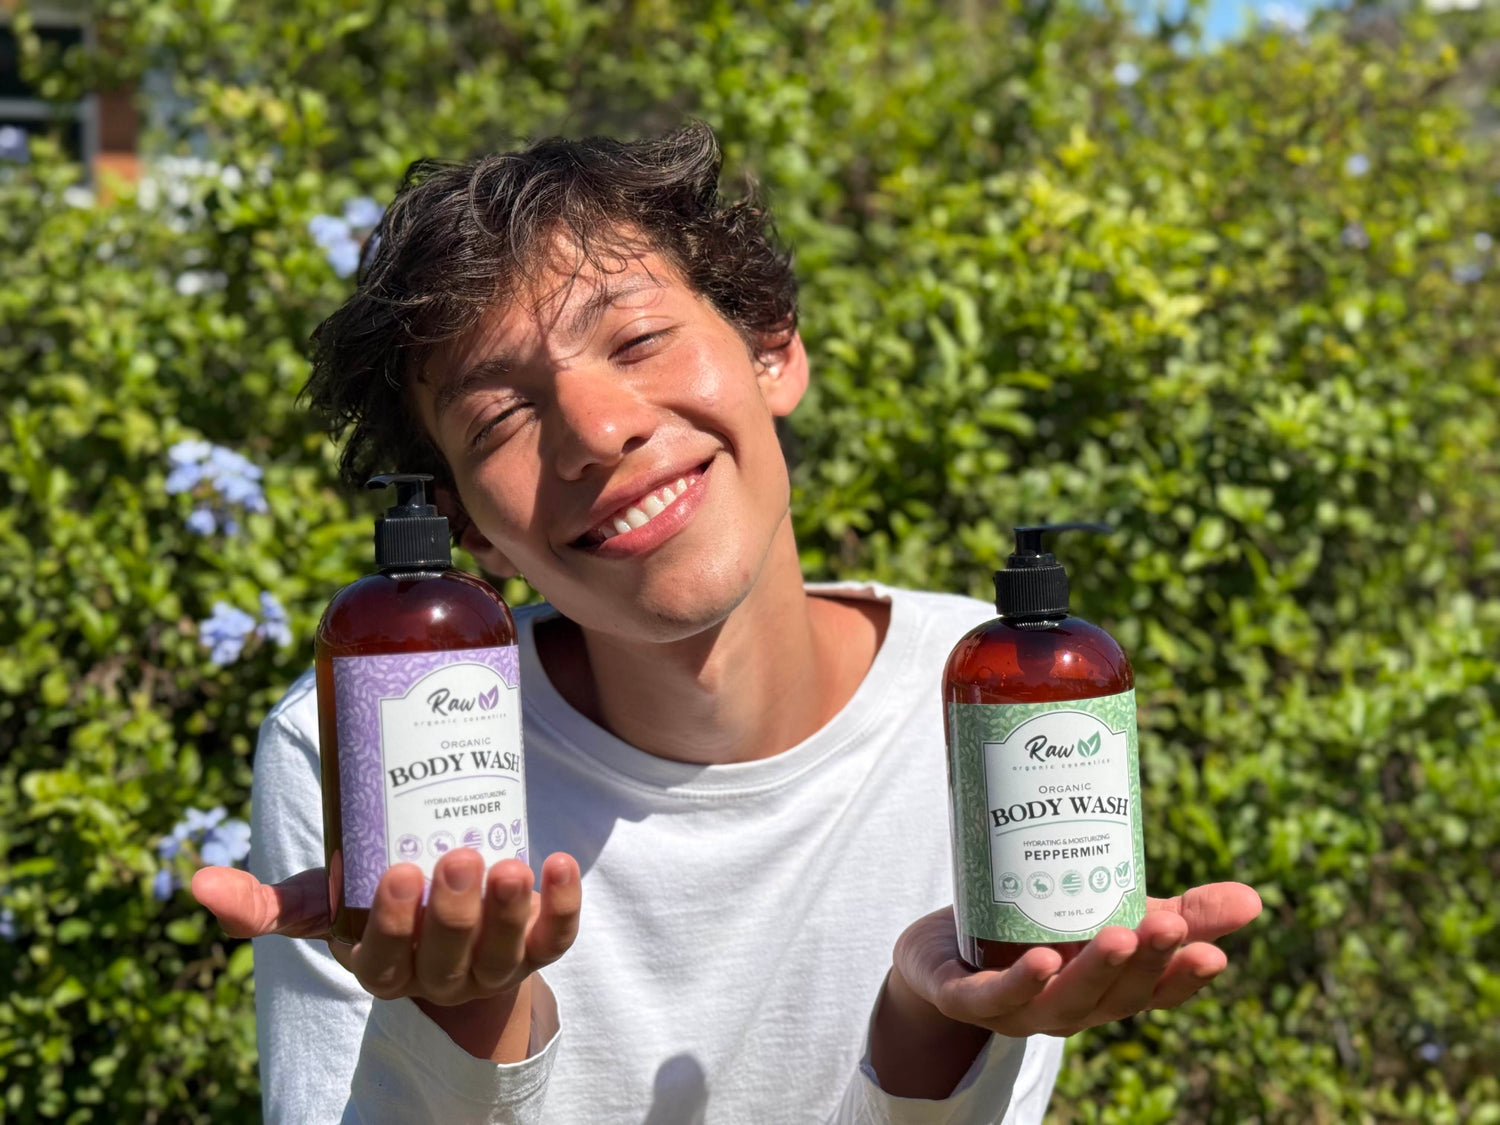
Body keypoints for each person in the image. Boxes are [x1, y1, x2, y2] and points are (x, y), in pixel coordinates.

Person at [191, 121, 1261, 1124]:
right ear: (464, 524)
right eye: (500, 414)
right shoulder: (373, 733)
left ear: (773, 350)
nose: (598, 430)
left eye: (640, 337)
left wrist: (927, 1026)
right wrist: (469, 1013)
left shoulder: (990, 694)